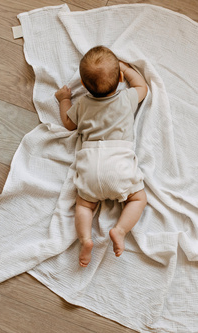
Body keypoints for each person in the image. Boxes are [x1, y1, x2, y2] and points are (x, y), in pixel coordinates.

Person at [55, 46, 148, 267]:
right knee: (138, 198)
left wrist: (63, 100)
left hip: (91, 165)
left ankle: (86, 239)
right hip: (118, 164)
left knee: (84, 206)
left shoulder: (83, 105)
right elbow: (141, 85)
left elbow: (68, 124)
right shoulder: (127, 98)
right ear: (121, 80)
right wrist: (124, 67)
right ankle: (120, 230)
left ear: (85, 85)